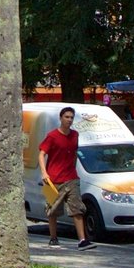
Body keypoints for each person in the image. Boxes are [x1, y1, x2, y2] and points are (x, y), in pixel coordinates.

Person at [38, 106, 92, 250]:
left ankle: (82, 240)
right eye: (66, 117)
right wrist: (44, 173)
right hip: (52, 179)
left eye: (71, 117)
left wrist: (73, 168)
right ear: (61, 118)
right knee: (52, 210)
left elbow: (74, 153)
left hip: (71, 177)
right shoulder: (52, 136)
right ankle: (53, 238)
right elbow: (42, 154)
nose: (69, 120)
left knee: (77, 208)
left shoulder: (75, 135)